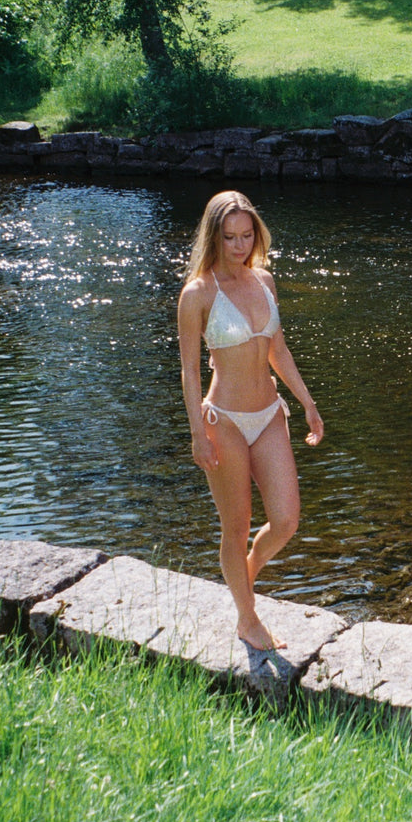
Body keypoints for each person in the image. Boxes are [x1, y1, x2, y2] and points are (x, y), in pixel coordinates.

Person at [177, 191, 324, 651]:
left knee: (285, 520)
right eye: (230, 237)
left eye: (247, 235)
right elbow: (189, 370)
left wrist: (307, 402)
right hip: (225, 420)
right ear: (213, 236)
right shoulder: (197, 293)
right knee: (235, 524)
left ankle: (247, 573)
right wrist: (198, 434)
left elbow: (277, 350)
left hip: (268, 413)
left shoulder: (264, 281)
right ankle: (247, 616)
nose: (240, 245)